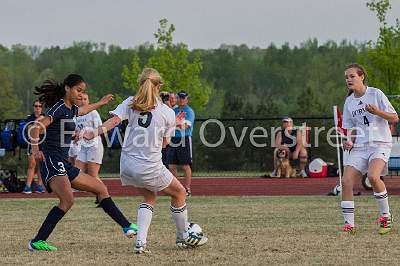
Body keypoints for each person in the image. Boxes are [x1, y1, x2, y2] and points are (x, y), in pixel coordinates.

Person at [83, 68, 207, 254]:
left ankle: (140, 243)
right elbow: (165, 144)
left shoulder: (130, 102)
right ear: (159, 86)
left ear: (140, 84)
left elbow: (114, 122)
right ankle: (183, 236)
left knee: (150, 197)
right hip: (149, 166)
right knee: (180, 193)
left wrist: (93, 132)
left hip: (127, 165)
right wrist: (174, 123)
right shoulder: (167, 112)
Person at [28, 74, 137, 251]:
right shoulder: (59, 108)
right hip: (52, 161)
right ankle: (37, 241)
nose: (81, 94)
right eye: (78, 90)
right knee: (67, 200)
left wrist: (101, 103)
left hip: (64, 162)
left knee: (100, 188)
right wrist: (35, 150)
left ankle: (127, 226)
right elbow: (35, 128)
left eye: (83, 91)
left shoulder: (70, 109)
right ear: (67, 89)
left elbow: (83, 111)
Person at [341, 63, 398, 234]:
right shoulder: (349, 101)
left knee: (373, 177)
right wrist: (349, 141)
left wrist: (377, 111)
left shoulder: (375, 93)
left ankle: (386, 218)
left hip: (380, 143)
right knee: (346, 182)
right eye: (346, 77)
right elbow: (350, 128)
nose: (348, 80)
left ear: (361, 76)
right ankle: (349, 225)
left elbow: (394, 118)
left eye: (352, 76)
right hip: (360, 146)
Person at [167, 90, 195, 196]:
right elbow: (168, 123)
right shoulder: (174, 110)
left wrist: (174, 124)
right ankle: (177, 188)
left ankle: (187, 189)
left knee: (185, 165)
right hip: (173, 139)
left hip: (184, 139)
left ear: (187, 99)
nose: (181, 100)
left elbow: (185, 127)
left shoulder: (189, 111)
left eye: (183, 98)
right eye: (179, 98)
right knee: (171, 165)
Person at [75, 93, 104, 180]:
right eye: (80, 99)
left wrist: (88, 135)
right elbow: (77, 130)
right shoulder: (77, 114)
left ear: (88, 101)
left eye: (85, 99)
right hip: (83, 146)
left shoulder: (93, 112)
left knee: (92, 175)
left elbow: (101, 128)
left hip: (94, 146)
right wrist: (76, 137)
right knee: (76, 173)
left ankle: (104, 193)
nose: (83, 101)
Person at [23, 100, 46, 193]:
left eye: (40, 106)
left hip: (42, 142)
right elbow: (30, 130)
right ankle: (28, 186)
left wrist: (38, 125)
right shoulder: (30, 118)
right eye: (36, 106)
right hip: (32, 142)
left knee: (41, 164)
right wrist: (37, 121)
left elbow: (43, 131)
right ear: (33, 107)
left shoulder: (45, 117)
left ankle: (40, 185)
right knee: (32, 164)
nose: (38, 108)